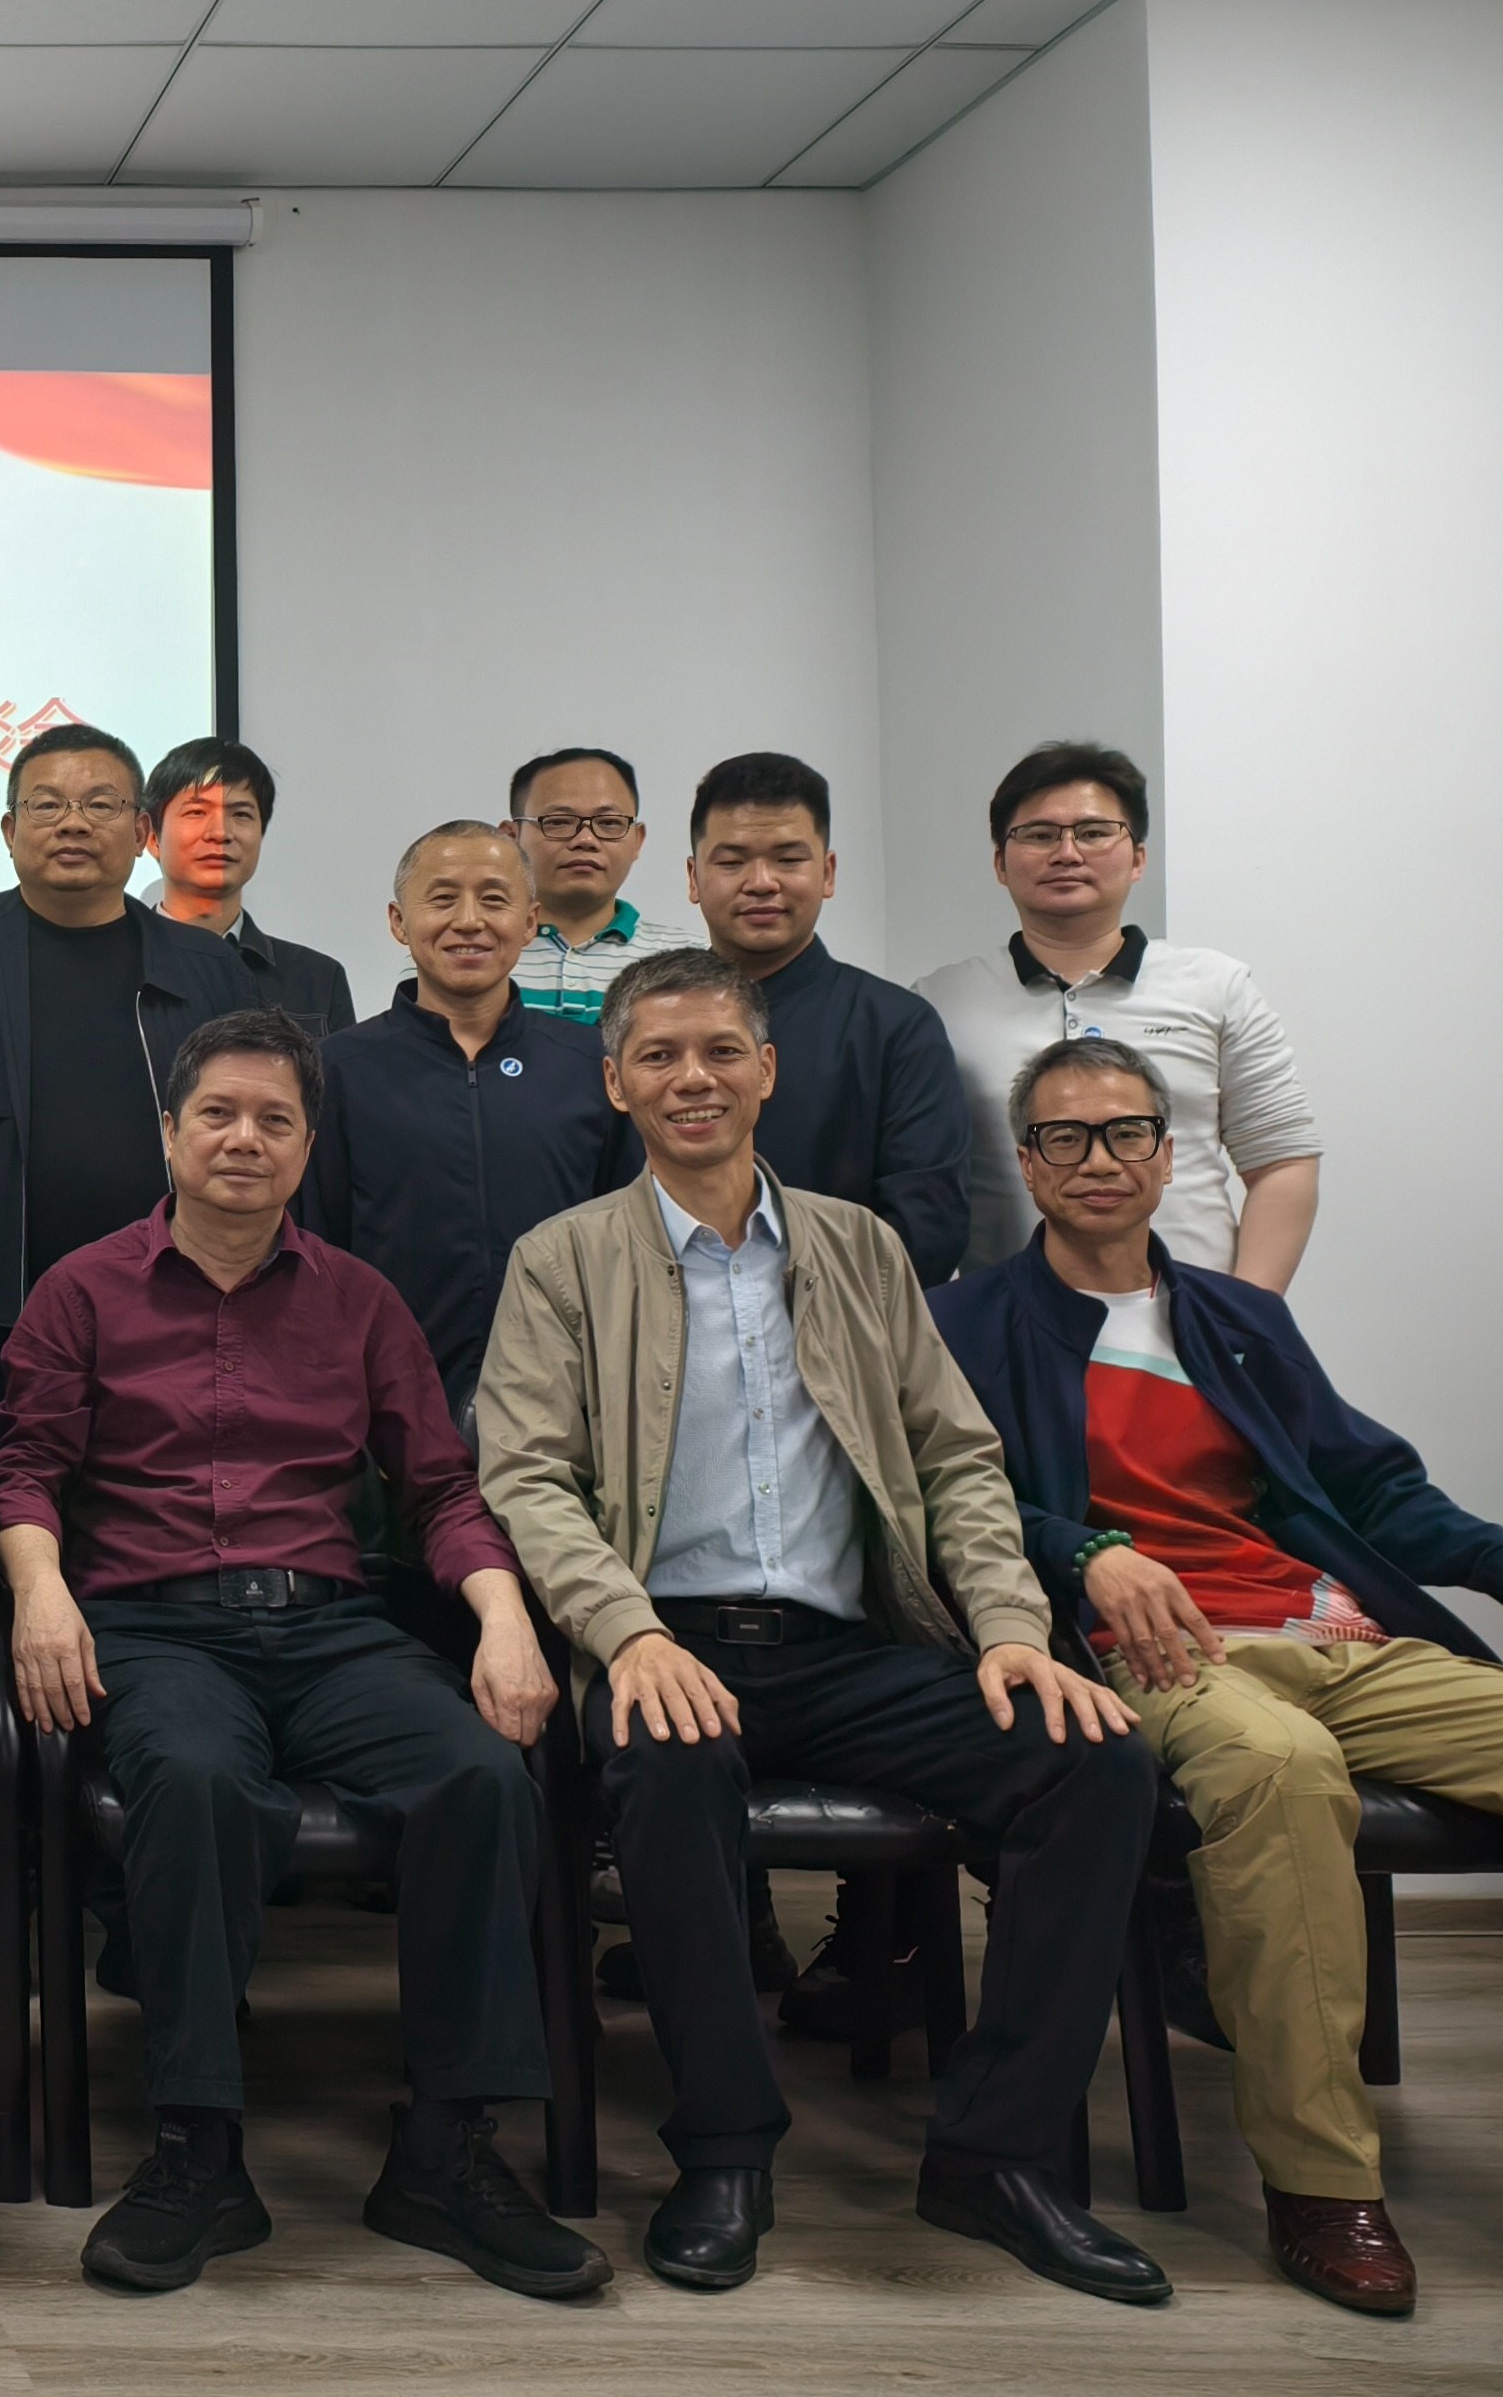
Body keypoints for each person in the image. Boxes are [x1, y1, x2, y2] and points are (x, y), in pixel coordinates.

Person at [477, 947, 1166, 2302]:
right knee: (667, 1771)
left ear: (767, 1070)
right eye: (659, 1055)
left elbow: (957, 1460)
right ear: (615, 1083)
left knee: (1095, 1762)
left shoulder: (857, 1247)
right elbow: (527, 1477)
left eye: (719, 1051)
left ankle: (993, 2152)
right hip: (666, 1638)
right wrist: (626, 1633)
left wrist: (1009, 1628)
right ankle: (725, 2149)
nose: (692, 1077)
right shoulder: (560, 1259)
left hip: (853, 1646)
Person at [0, 1008, 595, 2300]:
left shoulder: (359, 1299)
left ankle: (446, 2151)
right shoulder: (81, 1288)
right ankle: (198, 2154)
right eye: (216, 1113)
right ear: (169, 1131)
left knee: (482, 1775)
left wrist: (504, 1618)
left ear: (307, 1147)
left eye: (274, 1120)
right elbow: (26, 1467)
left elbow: (441, 1488)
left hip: (327, 1626)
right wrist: (40, 1594)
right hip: (152, 1623)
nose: (243, 1139)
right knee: (195, 1779)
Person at [933, 1037, 1503, 2317]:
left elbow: (1372, 1488)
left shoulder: (1242, 1317)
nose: (1100, 1159)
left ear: (1170, 1155)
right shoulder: (963, 1322)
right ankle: (1322, 2182)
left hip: (1330, 1633)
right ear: (1027, 1164)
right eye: (1066, 1137)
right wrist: (1084, 1550)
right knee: (1278, 1769)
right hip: (1150, 1653)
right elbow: (939, 1499)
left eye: (1127, 1132)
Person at [0, 722, 260, 1423]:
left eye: (100, 804)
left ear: (141, 831)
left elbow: (249, 1135)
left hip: (172, 1310)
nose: (73, 822)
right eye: (46, 805)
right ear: (10, 830)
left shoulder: (207, 968)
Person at [917, 740, 1320, 1286]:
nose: (1067, 853)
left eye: (1094, 832)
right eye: (1039, 835)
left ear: (1138, 859)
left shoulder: (1216, 988)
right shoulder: (939, 1002)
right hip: (1006, 1324)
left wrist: (1246, 1313)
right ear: (999, 863)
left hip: (1191, 1317)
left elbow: (1282, 1160)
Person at [296, 822, 637, 1437]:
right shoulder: (336, 1071)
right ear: (399, 922)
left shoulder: (591, 1065)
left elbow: (626, 1240)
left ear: (529, 922)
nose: (470, 920)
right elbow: (315, 1251)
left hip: (572, 1412)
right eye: (443, 898)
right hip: (385, 1416)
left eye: (494, 899)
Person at [680, 751, 970, 1285]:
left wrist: (769, 1304)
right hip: (667, 1325)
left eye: (788, 859)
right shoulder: (648, 1027)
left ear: (827, 873)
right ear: (694, 877)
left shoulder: (898, 1028)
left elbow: (928, 1230)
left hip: (846, 1326)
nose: (761, 882)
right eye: (732, 862)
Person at [141, 738, 356, 1039]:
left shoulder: (317, 978)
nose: (220, 833)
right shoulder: (115, 966)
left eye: (241, 814)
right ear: (152, 838)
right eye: (196, 812)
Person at [502, 746, 704, 1023]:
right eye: (559, 822)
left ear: (637, 840)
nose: (585, 840)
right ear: (511, 838)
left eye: (609, 823)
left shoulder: (695, 960)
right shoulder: (470, 955)